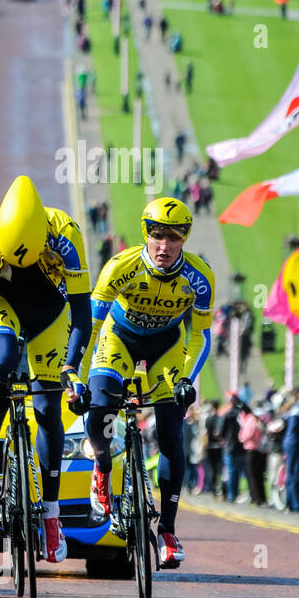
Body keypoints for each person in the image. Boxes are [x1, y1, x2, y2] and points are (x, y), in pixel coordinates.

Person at [0, 175, 92, 564]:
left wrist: (71, 366)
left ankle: (51, 514)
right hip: (2, 303)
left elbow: (82, 313)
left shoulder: (66, 234)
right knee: (1, 360)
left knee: (48, 409)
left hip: (50, 310)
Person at [83, 199, 213, 568]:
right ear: (146, 234)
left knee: (173, 433)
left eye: (173, 238)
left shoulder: (200, 277)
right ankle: (102, 467)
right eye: (157, 235)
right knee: (102, 404)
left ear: (184, 239)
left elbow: (200, 336)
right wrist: (78, 376)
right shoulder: (120, 266)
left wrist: (187, 378)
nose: (164, 246)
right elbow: (92, 326)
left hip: (166, 349)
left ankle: (168, 531)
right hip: (118, 339)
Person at [282, 392, 299, 512]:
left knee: (293, 473)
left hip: (293, 445)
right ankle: (295, 503)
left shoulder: (297, 410)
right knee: (294, 474)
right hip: (295, 446)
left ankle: (291, 502)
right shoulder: (297, 411)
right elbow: (294, 432)